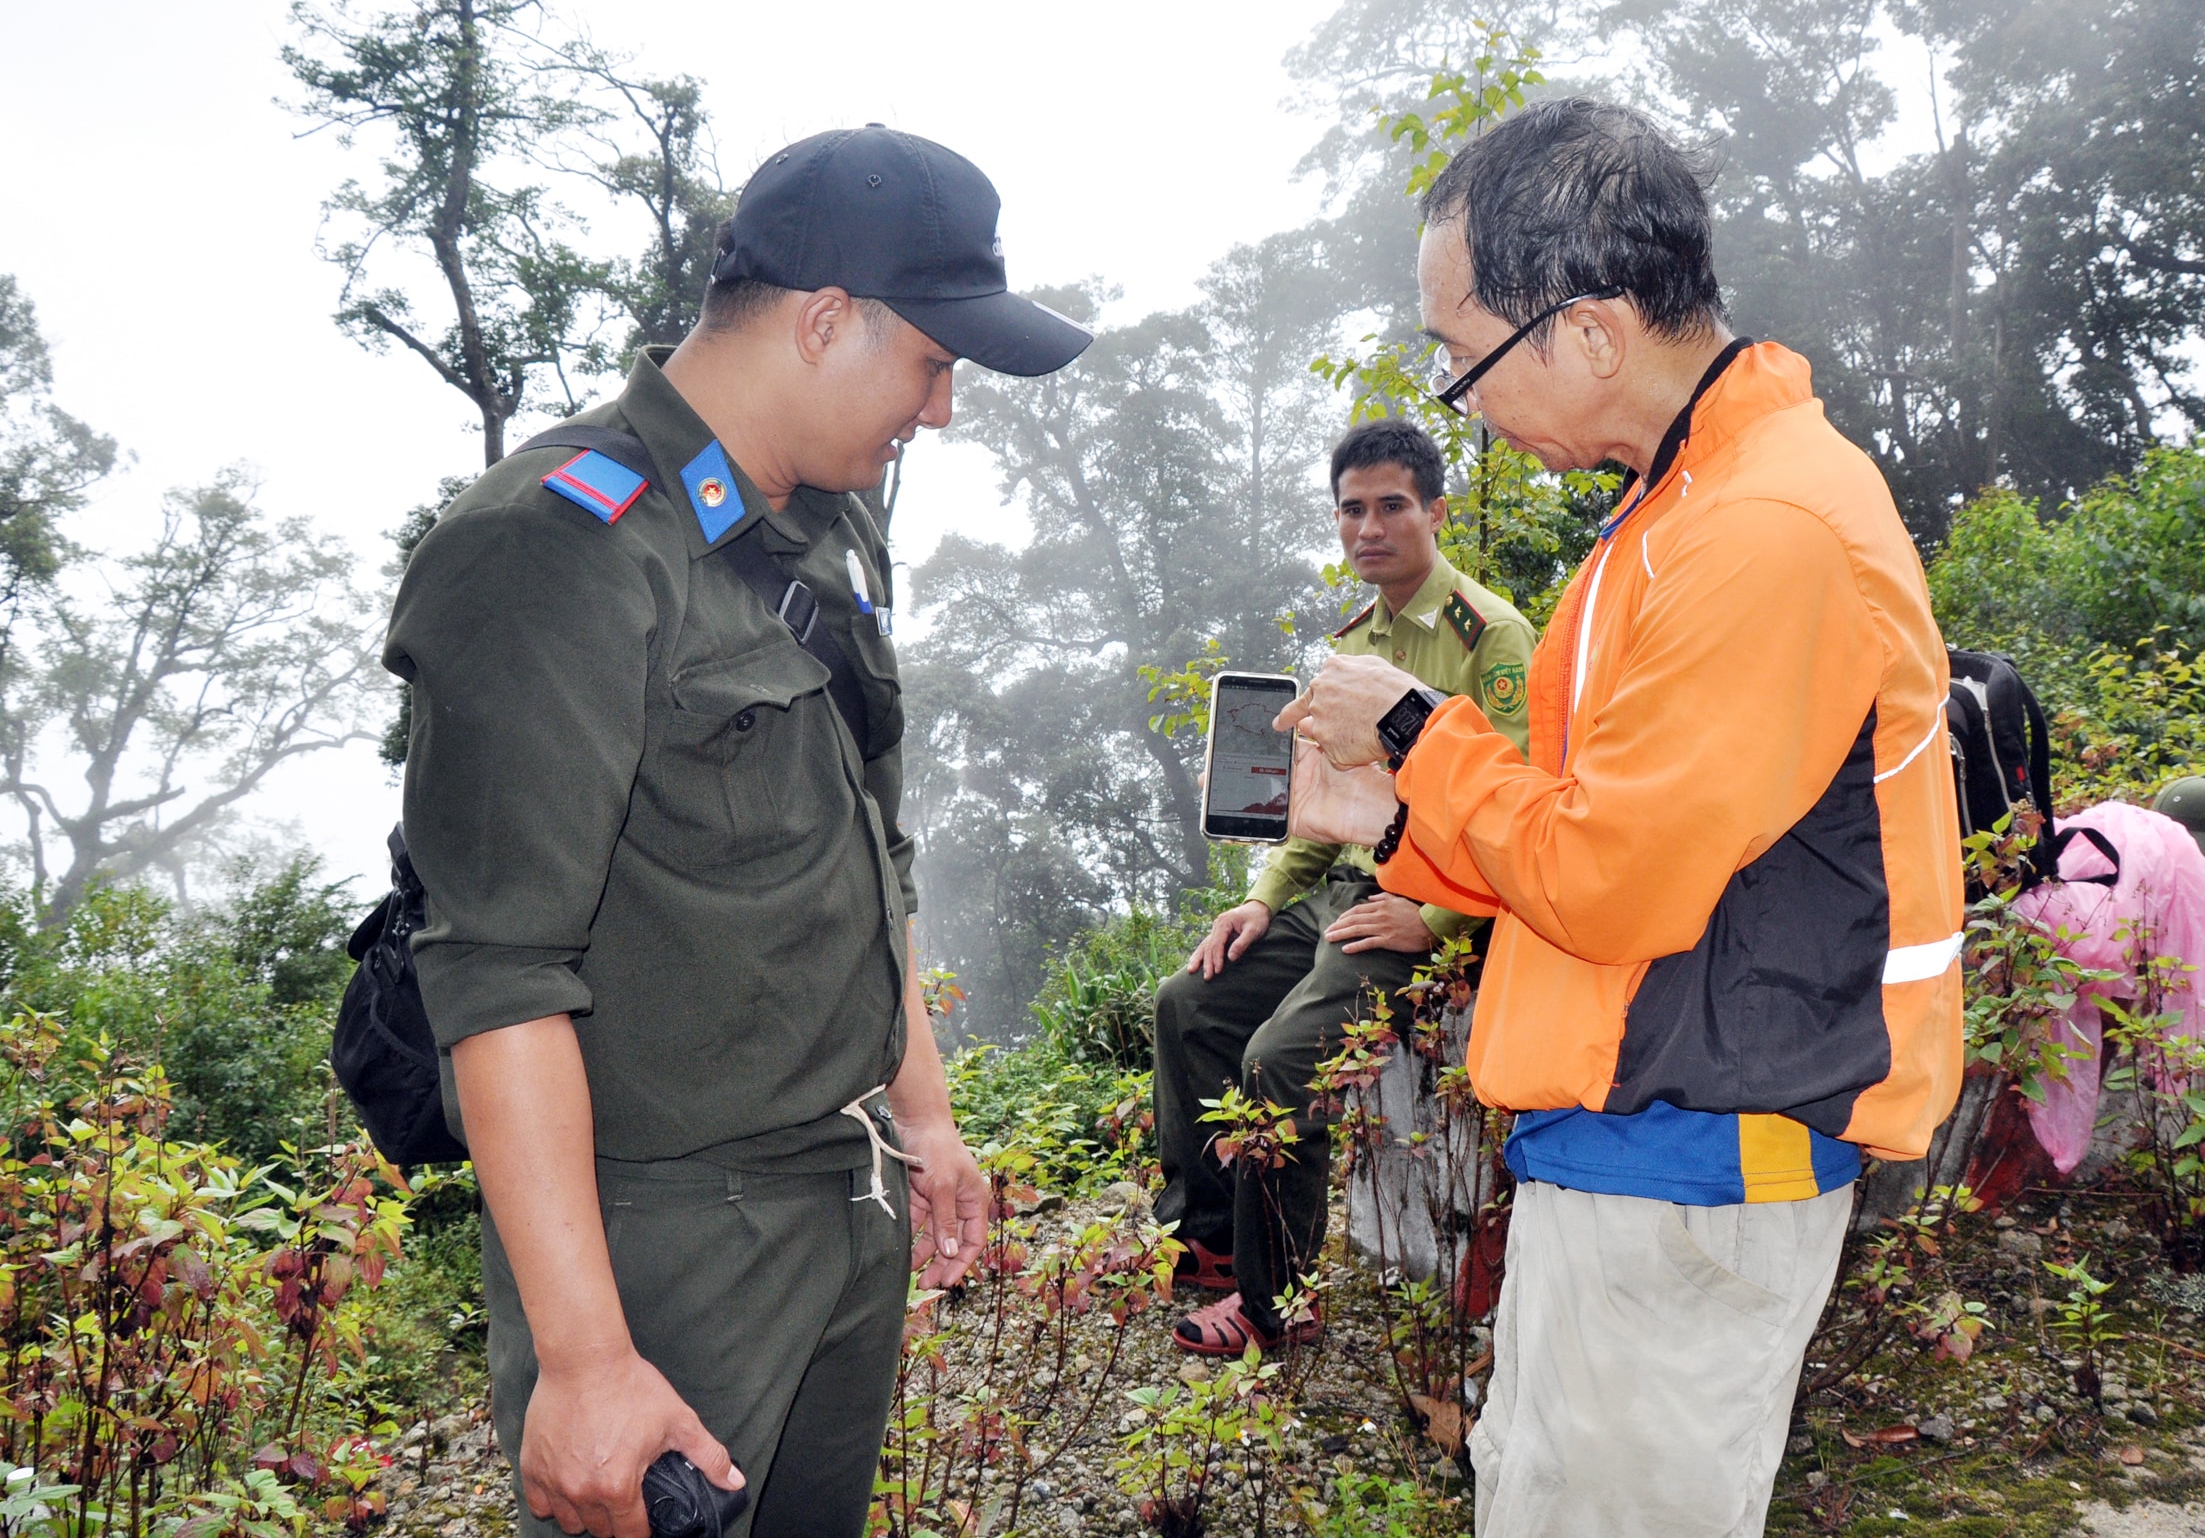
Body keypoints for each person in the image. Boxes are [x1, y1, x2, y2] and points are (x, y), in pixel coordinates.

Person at [384, 126, 1092, 1538]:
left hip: (843, 1196)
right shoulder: (556, 543)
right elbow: (496, 972)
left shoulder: (831, 530)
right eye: (934, 364)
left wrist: (923, 1111)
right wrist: (586, 1360)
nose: (941, 410)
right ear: (826, 322)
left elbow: (861, 851)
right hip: (665, 1239)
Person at [1281, 98, 1966, 1537]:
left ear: (1585, 332)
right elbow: (1590, 829)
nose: (1459, 394)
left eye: (1464, 356)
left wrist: (1415, 732)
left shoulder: (1759, 531)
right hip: (1635, 1150)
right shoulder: (1683, 509)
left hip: (1694, 1165)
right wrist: (1400, 810)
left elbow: (1611, 879)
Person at [1155, 418, 1535, 1355]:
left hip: (1437, 904)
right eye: (1351, 510)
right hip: (1349, 892)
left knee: (1279, 1060)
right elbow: (1322, 807)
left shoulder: (1490, 638)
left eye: (1391, 506)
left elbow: (1517, 811)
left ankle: (1274, 1300)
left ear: (1435, 512)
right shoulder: (1354, 643)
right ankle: (1209, 1244)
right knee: (1188, 1004)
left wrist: (1436, 918)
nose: (1370, 526)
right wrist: (1261, 899)